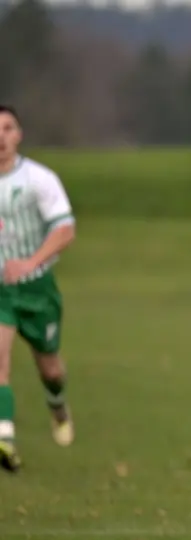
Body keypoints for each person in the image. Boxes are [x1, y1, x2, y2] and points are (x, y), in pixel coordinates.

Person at [0, 105, 77, 472]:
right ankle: (4, 439)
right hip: (1, 293)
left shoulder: (39, 179)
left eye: (7, 128)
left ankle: (58, 405)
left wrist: (31, 262)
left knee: (50, 367)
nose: (0, 136)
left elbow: (65, 230)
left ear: (19, 135)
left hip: (38, 290)